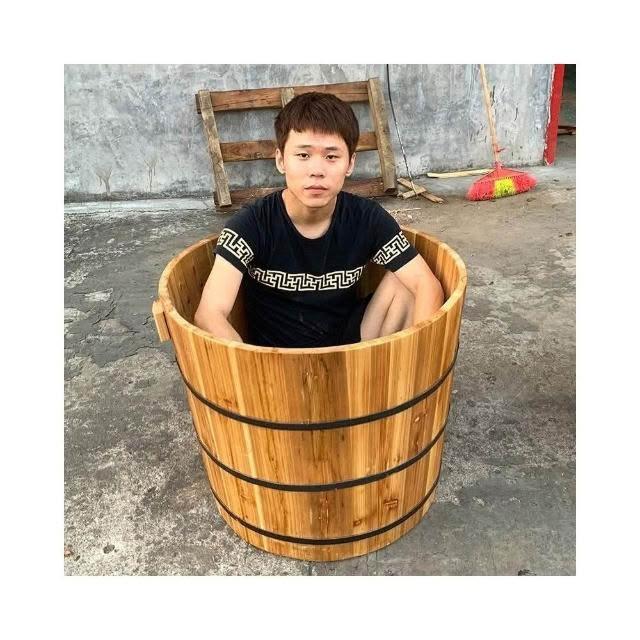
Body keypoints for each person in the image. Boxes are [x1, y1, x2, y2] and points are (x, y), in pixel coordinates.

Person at [194, 92, 444, 348]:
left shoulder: (367, 218)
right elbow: (209, 314)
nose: (316, 171)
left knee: (407, 283)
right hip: (275, 357)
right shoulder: (251, 225)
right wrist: (251, 365)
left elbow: (428, 285)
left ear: (350, 163)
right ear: (280, 160)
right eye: (303, 155)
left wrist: (417, 359)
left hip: (352, 351)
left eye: (331, 156)